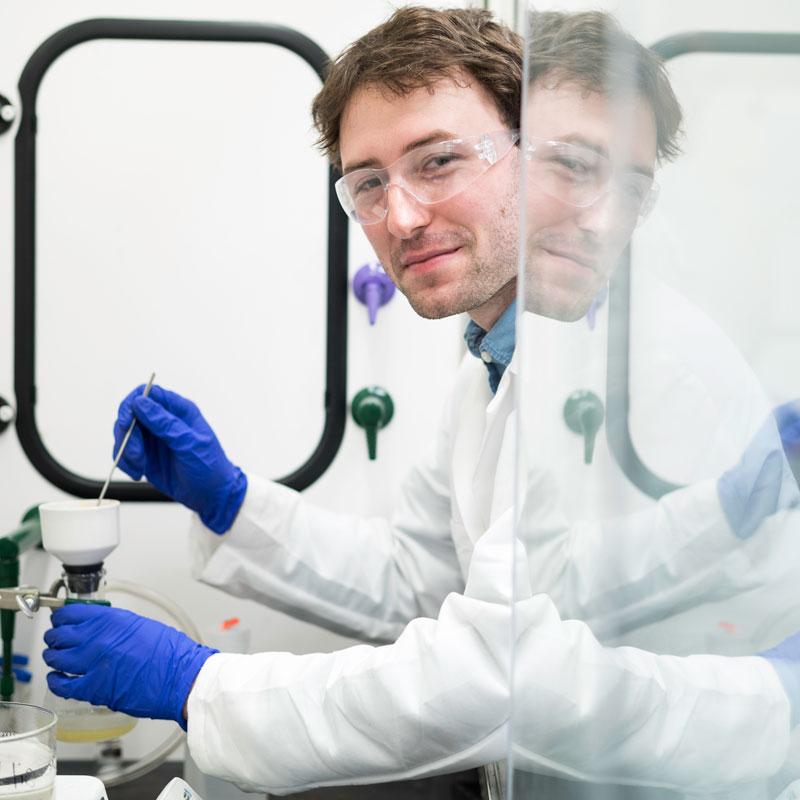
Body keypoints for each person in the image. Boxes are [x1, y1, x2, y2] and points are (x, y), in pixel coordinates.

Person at [43, 7, 800, 796]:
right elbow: (423, 580)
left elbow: (501, 675)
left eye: (438, 162)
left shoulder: (650, 362)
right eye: (368, 183)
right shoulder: (494, 357)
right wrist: (231, 503)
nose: (399, 216)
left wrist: (198, 684)